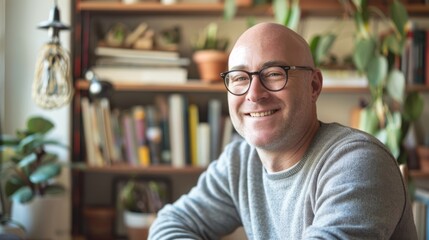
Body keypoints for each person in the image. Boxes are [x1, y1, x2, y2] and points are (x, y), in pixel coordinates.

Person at [148, 22, 417, 239]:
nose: (254, 94)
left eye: (274, 73)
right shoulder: (240, 160)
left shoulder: (357, 163)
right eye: (240, 78)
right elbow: (169, 224)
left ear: (313, 86)